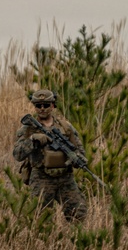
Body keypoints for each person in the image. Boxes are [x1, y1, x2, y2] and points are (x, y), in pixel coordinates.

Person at [12, 89, 88, 222]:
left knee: (79, 214)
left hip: (66, 178)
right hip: (41, 178)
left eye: (46, 105)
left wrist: (77, 159)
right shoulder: (28, 129)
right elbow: (17, 154)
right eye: (38, 105)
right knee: (41, 219)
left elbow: (79, 151)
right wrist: (32, 141)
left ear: (53, 105)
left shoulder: (65, 127)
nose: (42, 109)